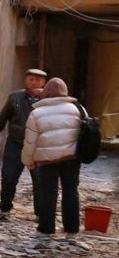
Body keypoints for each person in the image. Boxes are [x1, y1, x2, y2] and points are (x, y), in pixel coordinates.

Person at [20, 77, 83, 236]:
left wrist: (28, 160)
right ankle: (71, 229)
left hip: (46, 160)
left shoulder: (36, 113)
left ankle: (46, 228)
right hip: (71, 158)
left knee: (47, 193)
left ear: (46, 93)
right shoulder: (77, 109)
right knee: (71, 192)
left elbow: (30, 141)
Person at [0, 68, 48, 218]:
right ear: (26, 80)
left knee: (40, 181)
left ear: (44, 82)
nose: (34, 83)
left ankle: (40, 214)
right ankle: (5, 208)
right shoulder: (15, 97)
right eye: (31, 79)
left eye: (38, 80)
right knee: (9, 177)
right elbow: (2, 117)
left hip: (39, 146)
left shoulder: (48, 99)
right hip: (16, 143)